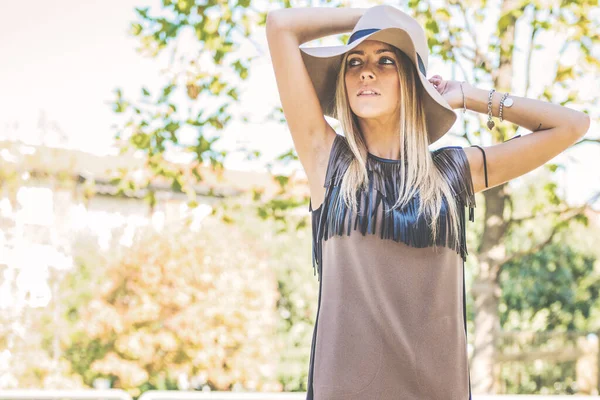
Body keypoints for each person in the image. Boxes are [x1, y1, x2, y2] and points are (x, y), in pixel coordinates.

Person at [266, 4, 590, 399]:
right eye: (354, 61)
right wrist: (374, 16)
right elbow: (281, 26)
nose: (366, 70)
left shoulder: (453, 172)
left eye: (386, 60)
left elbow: (572, 125)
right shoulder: (328, 161)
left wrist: (469, 96)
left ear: (411, 80)